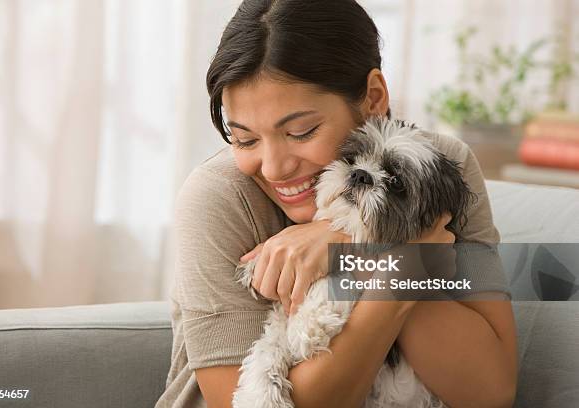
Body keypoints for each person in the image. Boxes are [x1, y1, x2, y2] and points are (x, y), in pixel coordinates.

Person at [155, 1, 517, 407]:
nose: (274, 169)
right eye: (245, 139)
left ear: (374, 97)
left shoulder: (440, 169)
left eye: (300, 131)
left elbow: (491, 391)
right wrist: (404, 262)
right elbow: (241, 401)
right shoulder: (218, 198)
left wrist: (352, 242)